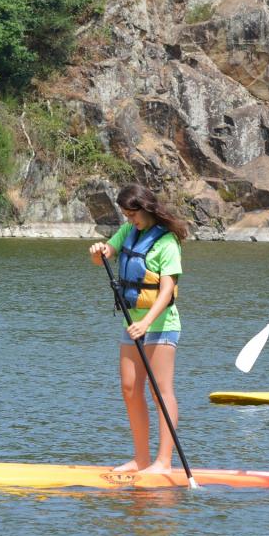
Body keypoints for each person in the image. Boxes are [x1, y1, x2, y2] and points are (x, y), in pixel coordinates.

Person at [89, 184, 188, 475]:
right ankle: (141, 459)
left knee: (160, 392)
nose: (130, 219)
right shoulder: (128, 232)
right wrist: (97, 251)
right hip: (131, 324)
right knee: (130, 389)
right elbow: (103, 256)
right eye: (126, 215)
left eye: (133, 214)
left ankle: (164, 462)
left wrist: (146, 323)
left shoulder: (167, 242)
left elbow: (167, 290)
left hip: (160, 326)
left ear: (146, 208)